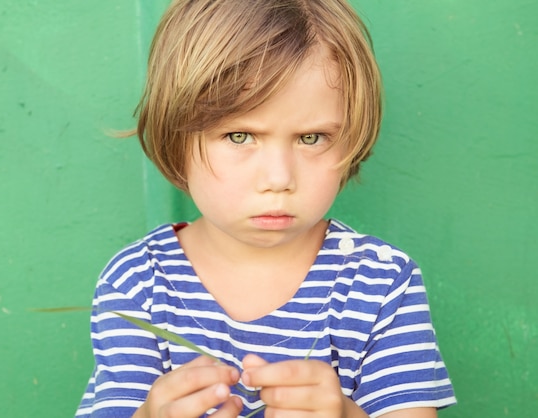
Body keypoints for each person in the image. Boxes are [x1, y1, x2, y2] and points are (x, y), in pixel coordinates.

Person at [76, 0, 456, 417]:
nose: (278, 178)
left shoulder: (381, 282)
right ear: (176, 135)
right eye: (239, 136)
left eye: (311, 138)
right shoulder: (138, 283)